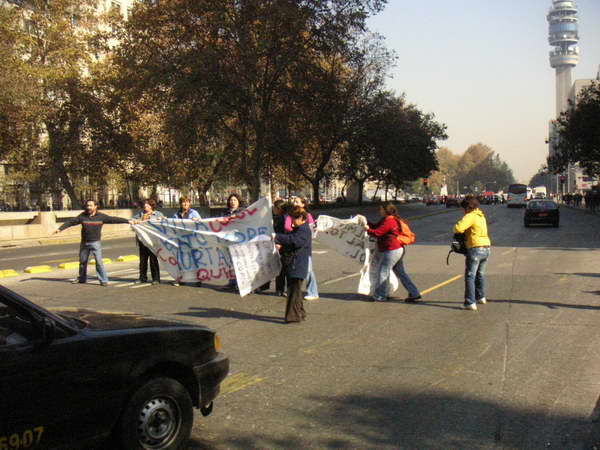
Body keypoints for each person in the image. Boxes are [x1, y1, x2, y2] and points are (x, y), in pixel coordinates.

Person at [53, 199, 133, 286]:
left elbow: (114, 219)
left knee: (99, 262)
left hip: (95, 243)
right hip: (84, 243)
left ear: (95, 206)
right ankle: (82, 278)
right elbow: (71, 222)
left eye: (91, 205)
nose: (88, 207)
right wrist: (60, 229)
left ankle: (103, 280)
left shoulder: (101, 217)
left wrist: (127, 221)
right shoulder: (82, 216)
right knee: (83, 262)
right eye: (87, 205)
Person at [363, 202, 421, 302]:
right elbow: (375, 226)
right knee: (401, 273)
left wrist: (367, 229)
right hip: (396, 249)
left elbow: (377, 232)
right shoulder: (386, 219)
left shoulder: (390, 221)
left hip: (392, 250)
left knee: (383, 272)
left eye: (381, 209)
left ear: (386, 210)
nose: (379, 211)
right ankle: (414, 293)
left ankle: (380, 295)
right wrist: (365, 221)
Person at [454, 196, 491, 311]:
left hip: (475, 248)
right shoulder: (481, 215)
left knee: (470, 276)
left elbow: (458, 228)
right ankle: (481, 297)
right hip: (486, 247)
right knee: (480, 274)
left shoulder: (470, 216)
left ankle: (470, 302)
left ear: (467, 206)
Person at [275, 207, 312, 323]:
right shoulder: (299, 228)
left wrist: (276, 236)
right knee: (296, 292)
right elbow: (292, 243)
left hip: (297, 265)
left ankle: (293, 317)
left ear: (301, 218)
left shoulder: (304, 230)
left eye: (293, 219)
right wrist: (281, 246)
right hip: (295, 264)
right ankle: (300, 313)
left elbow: (294, 241)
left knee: (293, 292)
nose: (292, 221)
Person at [284, 197, 319, 301]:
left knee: (308, 270)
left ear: (303, 204)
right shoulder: (289, 215)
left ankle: (313, 292)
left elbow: (312, 230)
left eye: (297, 201)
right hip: (292, 245)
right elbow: (286, 227)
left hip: (303, 246)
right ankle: (293, 290)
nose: (295, 203)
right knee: (293, 269)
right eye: (294, 201)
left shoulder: (307, 216)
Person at [256, 199, 287, 294]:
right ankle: (265, 286)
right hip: (270, 243)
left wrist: (280, 243)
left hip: (279, 245)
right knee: (268, 266)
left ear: (279, 208)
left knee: (279, 268)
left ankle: (279, 289)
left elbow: (284, 232)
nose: (272, 208)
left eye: (274, 207)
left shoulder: (284, 218)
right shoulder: (272, 216)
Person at [132, 199, 165, 285]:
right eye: (145, 205)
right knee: (143, 260)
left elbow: (164, 222)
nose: (145, 206)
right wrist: (136, 221)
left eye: (147, 205)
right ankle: (142, 277)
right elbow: (132, 220)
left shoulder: (157, 214)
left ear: (151, 206)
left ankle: (156, 278)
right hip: (142, 241)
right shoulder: (140, 214)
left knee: (153, 260)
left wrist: (161, 219)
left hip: (152, 241)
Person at [220, 193, 244, 292]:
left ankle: (241, 284)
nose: (232, 202)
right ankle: (232, 282)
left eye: (235, 200)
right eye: (231, 200)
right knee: (230, 262)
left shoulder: (243, 212)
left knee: (239, 262)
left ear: (238, 202)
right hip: (227, 241)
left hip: (239, 241)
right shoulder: (225, 213)